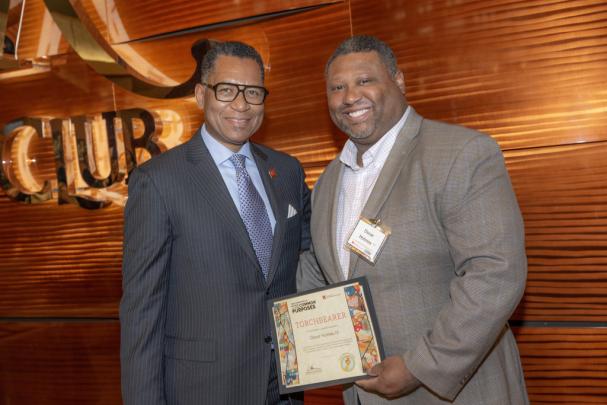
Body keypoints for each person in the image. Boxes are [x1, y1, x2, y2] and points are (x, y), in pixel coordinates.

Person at [298, 35, 529, 405]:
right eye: (337, 87)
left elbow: (496, 273)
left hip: (450, 392)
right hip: (363, 394)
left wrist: (421, 367)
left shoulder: (460, 153)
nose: (349, 96)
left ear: (398, 81)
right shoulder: (327, 183)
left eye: (364, 81)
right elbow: (322, 278)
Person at [121, 41, 310, 405]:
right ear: (200, 95)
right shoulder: (158, 181)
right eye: (226, 90)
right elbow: (141, 312)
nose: (241, 105)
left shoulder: (287, 171)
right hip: (204, 390)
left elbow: (305, 263)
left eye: (253, 92)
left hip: (284, 389)